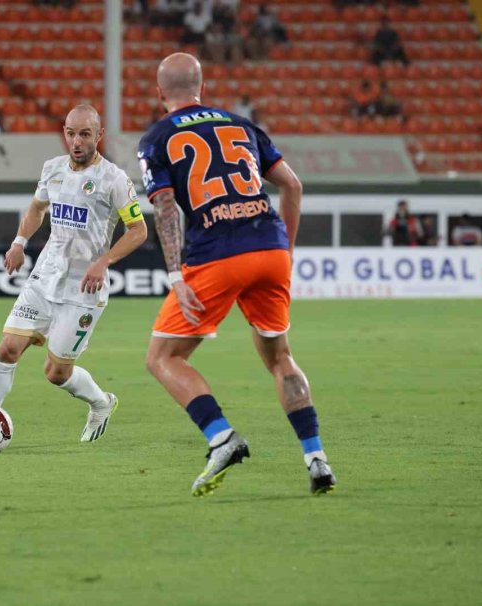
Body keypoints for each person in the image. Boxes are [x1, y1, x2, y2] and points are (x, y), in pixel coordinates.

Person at [139, 53, 336, 497]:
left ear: (159, 93)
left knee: (163, 358)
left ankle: (221, 437)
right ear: (202, 87)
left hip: (216, 253)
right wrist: (284, 249)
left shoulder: (157, 138)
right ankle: (316, 457)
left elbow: (165, 207)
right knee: (280, 357)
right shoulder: (241, 124)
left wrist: (175, 274)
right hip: (269, 246)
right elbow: (293, 185)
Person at [0, 104, 148, 447]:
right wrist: (19, 242)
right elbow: (37, 208)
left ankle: (101, 403)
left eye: (85, 134)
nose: (76, 140)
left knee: (56, 374)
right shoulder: (52, 170)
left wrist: (104, 262)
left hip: (84, 288)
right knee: (9, 348)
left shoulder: (114, 179)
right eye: (71, 133)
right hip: (45, 278)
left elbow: (138, 230)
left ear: (99, 135)